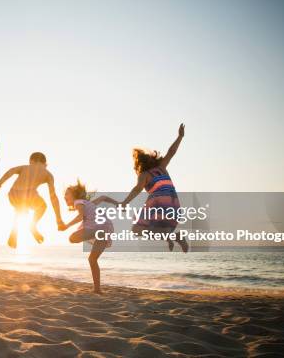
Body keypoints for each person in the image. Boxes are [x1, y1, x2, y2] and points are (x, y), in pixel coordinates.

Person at [95, 123, 188, 252]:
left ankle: (172, 236)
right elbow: (171, 152)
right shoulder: (161, 167)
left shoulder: (144, 175)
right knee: (163, 228)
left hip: (158, 204)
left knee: (137, 230)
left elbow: (137, 189)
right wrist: (180, 137)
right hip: (173, 204)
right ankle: (171, 237)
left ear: (139, 165)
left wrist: (125, 202)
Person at [0, 152, 63, 248]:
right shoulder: (48, 174)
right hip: (29, 194)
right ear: (45, 164)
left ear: (31, 161)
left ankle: (14, 233)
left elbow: (11, 171)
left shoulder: (25, 167)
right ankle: (32, 225)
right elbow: (53, 197)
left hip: (13, 194)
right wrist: (58, 219)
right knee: (42, 206)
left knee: (21, 210)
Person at [60, 180, 113, 294]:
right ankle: (97, 290)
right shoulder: (90, 203)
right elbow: (103, 197)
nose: (64, 196)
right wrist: (118, 203)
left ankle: (97, 289)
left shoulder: (78, 202)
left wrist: (67, 225)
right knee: (92, 259)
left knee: (72, 238)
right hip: (106, 228)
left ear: (74, 195)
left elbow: (81, 215)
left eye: (67, 194)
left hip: (96, 228)